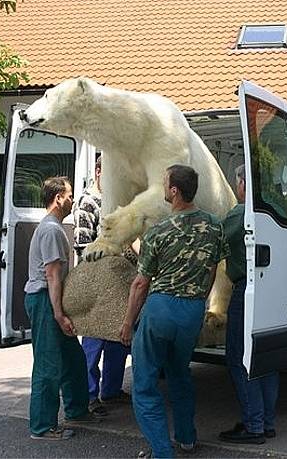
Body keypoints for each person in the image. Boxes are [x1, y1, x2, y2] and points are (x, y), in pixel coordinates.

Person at [119, 164, 229, 458]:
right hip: (192, 311)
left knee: (144, 384)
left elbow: (141, 283)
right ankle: (187, 438)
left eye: (164, 182)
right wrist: (199, 302)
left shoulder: (159, 231)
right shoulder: (213, 226)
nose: (162, 186)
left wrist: (128, 323)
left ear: (174, 191)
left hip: (161, 308)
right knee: (180, 373)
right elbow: (211, 271)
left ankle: (162, 451)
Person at [24, 176, 99, 441]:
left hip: (50, 299)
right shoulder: (52, 230)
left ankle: (77, 410)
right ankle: (42, 427)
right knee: (48, 365)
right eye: (69, 196)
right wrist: (59, 313)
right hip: (45, 301)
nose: (72, 200)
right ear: (58, 199)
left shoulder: (52, 226)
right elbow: (53, 275)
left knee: (73, 359)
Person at [219, 164, 280, 445]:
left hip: (246, 290)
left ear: (243, 184)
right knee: (266, 359)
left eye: (238, 182)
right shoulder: (276, 209)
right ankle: (266, 423)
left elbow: (215, 241)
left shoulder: (238, 214)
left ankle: (253, 425)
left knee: (240, 359)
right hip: (273, 289)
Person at [73, 156, 131, 416]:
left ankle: (111, 390)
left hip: (118, 283)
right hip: (97, 283)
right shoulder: (88, 203)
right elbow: (83, 247)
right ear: (98, 172)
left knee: (118, 339)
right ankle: (87, 395)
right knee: (93, 342)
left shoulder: (115, 201)